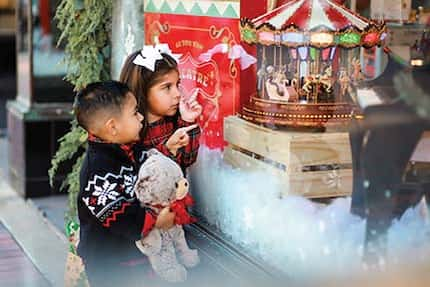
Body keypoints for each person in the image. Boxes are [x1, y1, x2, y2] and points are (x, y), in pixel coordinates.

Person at [74, 80, 176, 287]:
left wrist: (167, 150)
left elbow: (147, 168)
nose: (140, 118)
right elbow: (115, 214)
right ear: (112, 126)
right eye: (134, 113)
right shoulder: (97, 169)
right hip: (108, 261)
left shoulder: (125, 148)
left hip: (129, 254)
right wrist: (156, 221)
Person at [119, 44, 202, 174]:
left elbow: (188, 160)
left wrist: (188, 121)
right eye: (167, 87)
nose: (177, 94)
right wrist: (167, 149)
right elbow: (140, 174)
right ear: (143, 90)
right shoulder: (130, 131)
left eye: (177, 84)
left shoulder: (174, 121)